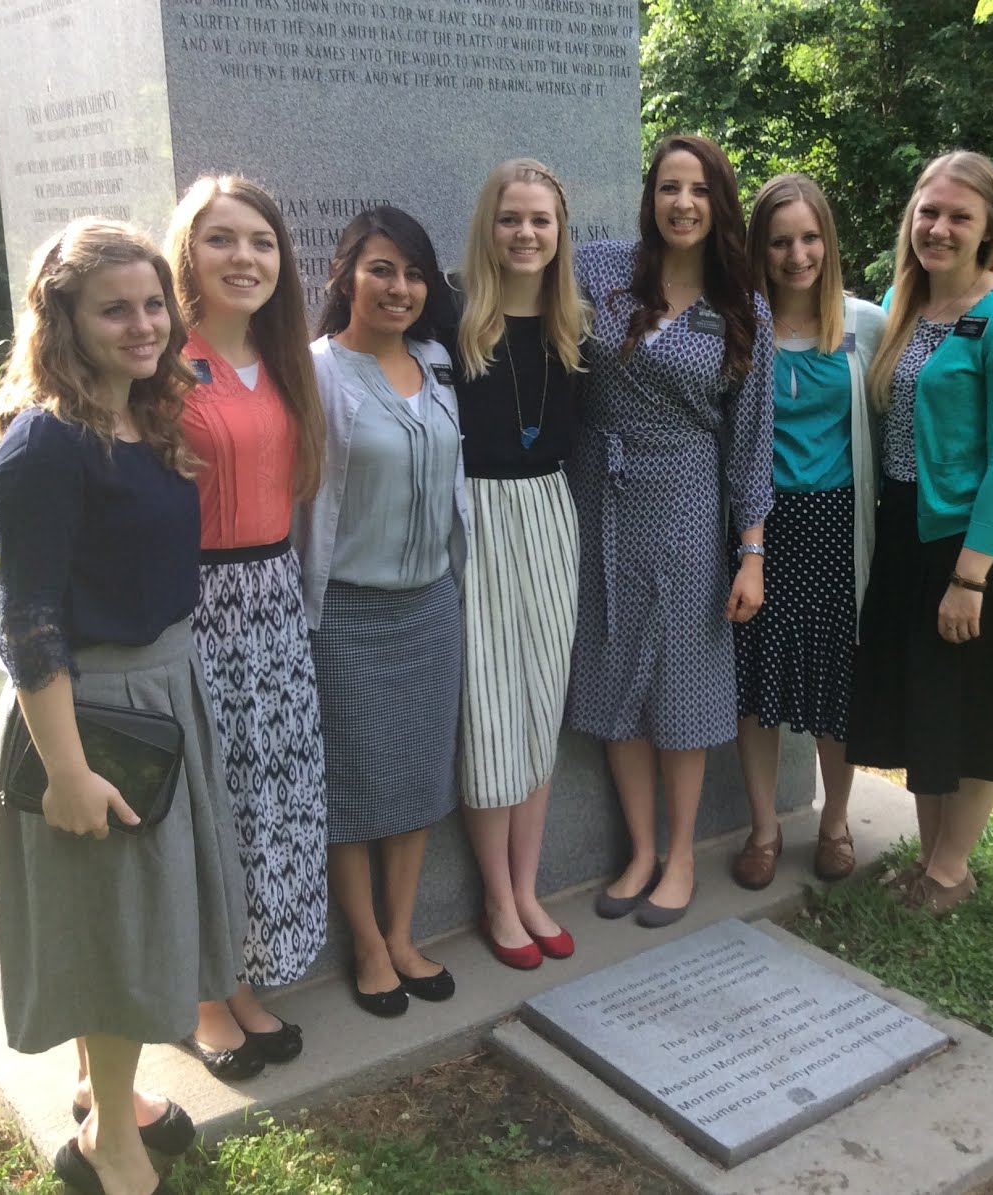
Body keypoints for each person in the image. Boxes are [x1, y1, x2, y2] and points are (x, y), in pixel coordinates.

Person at [0, 219, 246, 1195]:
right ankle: (108, 1156)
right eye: (113, 308)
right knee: (118, 925)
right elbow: (29, 623)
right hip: (90, 710)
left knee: (122, 913)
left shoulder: (140, 417)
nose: (142, 324)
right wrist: (69, 769)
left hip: (160, 686)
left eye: (152, 303)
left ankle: (109, 1097)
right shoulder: (46, 445)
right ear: (65, 321)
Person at [566, 134, 774, 927]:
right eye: (667, 187)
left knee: (682, 684)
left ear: (719, 203)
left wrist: (751, 553)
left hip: (689, 497)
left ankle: (682, 851)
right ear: (650, 197)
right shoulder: (603, 270)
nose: (681, 202)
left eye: (698, 189)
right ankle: (641, 850)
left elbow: (751, 442)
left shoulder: (741, 309)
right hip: (602, 492)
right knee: (618, 673)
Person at [846, 150, 993, 915]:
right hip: (902, 532)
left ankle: (949, 872)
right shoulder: (903, 304)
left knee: (970, 710)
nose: (939, 228)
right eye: (928, 212)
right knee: (925, 705)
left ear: (987, 227)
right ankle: (932, 861)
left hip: (970, 543)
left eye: (958, 216)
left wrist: (970, 577)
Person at [164, 175, 328, 1076]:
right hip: (196, 606)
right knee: (208, 800)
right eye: (223, 240)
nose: (245, 258)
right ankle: (201, 991)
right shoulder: (163, 365)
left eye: (262, 242)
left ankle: (243, 976)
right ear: (187, 250)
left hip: (273, 598)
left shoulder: (285, 357)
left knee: (269, 800)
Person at [295, 205, 469, 1015]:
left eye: (412, 272)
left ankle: (403, 933)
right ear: (345, 276)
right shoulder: (317, 371)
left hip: (430, 606)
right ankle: (366, 943)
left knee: (419, 774)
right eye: (381, 270)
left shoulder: (437, 362)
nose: (399, 287)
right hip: (350, 614)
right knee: (354, 784)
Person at [443, 160, 589, 969]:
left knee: (539, 705)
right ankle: (498, 899)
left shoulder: (577, 325)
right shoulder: (451, 314)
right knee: (490, 714)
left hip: (549, 516)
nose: (525, 233)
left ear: (559, 229)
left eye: (540, 219)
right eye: (510, 219)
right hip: (477, 518)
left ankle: (529, 887)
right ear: (487, 228)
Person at [729, 173, 887, 890]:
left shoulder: (863, 324)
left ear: (829, 240)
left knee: (835, 684)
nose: (798, 255)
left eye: (811, 237)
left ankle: (833, 821)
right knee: (757, 687)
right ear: (760, 248)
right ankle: (764, 828)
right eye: (782, 240)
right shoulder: (741, 326)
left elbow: (895, 422)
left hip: (837, 527)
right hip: (761, 527)